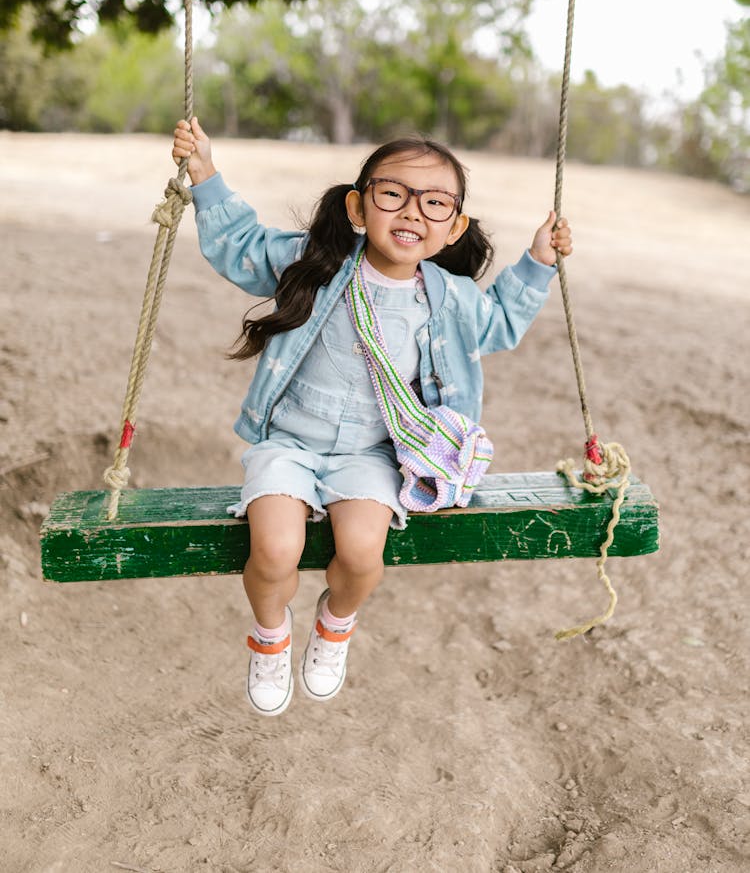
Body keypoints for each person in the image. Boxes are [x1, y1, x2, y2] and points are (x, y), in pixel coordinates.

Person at [172, 117, 573, 716]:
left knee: (362, 556)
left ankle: (335, 624)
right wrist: (203, 172)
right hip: (290, 444)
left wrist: (539, 261)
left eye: (435, 203)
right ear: (359, 207)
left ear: (454, 226)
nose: (412, 212)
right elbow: (243, 245)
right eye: (394, 194)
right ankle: (270, 635)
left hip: (372, 454)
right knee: (275, 549)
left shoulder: (446, 296)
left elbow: (500, 322)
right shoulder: (316, 263)